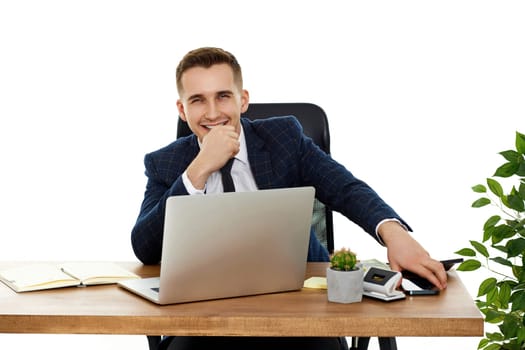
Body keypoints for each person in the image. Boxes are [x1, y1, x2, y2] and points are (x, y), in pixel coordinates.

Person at [130, 47, 447, 349]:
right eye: (198, 100)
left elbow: (345, 188)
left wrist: (395, 235)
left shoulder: (284, 138)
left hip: (300, 312)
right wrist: (197, 170)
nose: (213, 112)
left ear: (243, 100)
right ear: (182, 110)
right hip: (204, 321)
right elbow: (144, 247)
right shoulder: (165, 163)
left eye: (223, 96)